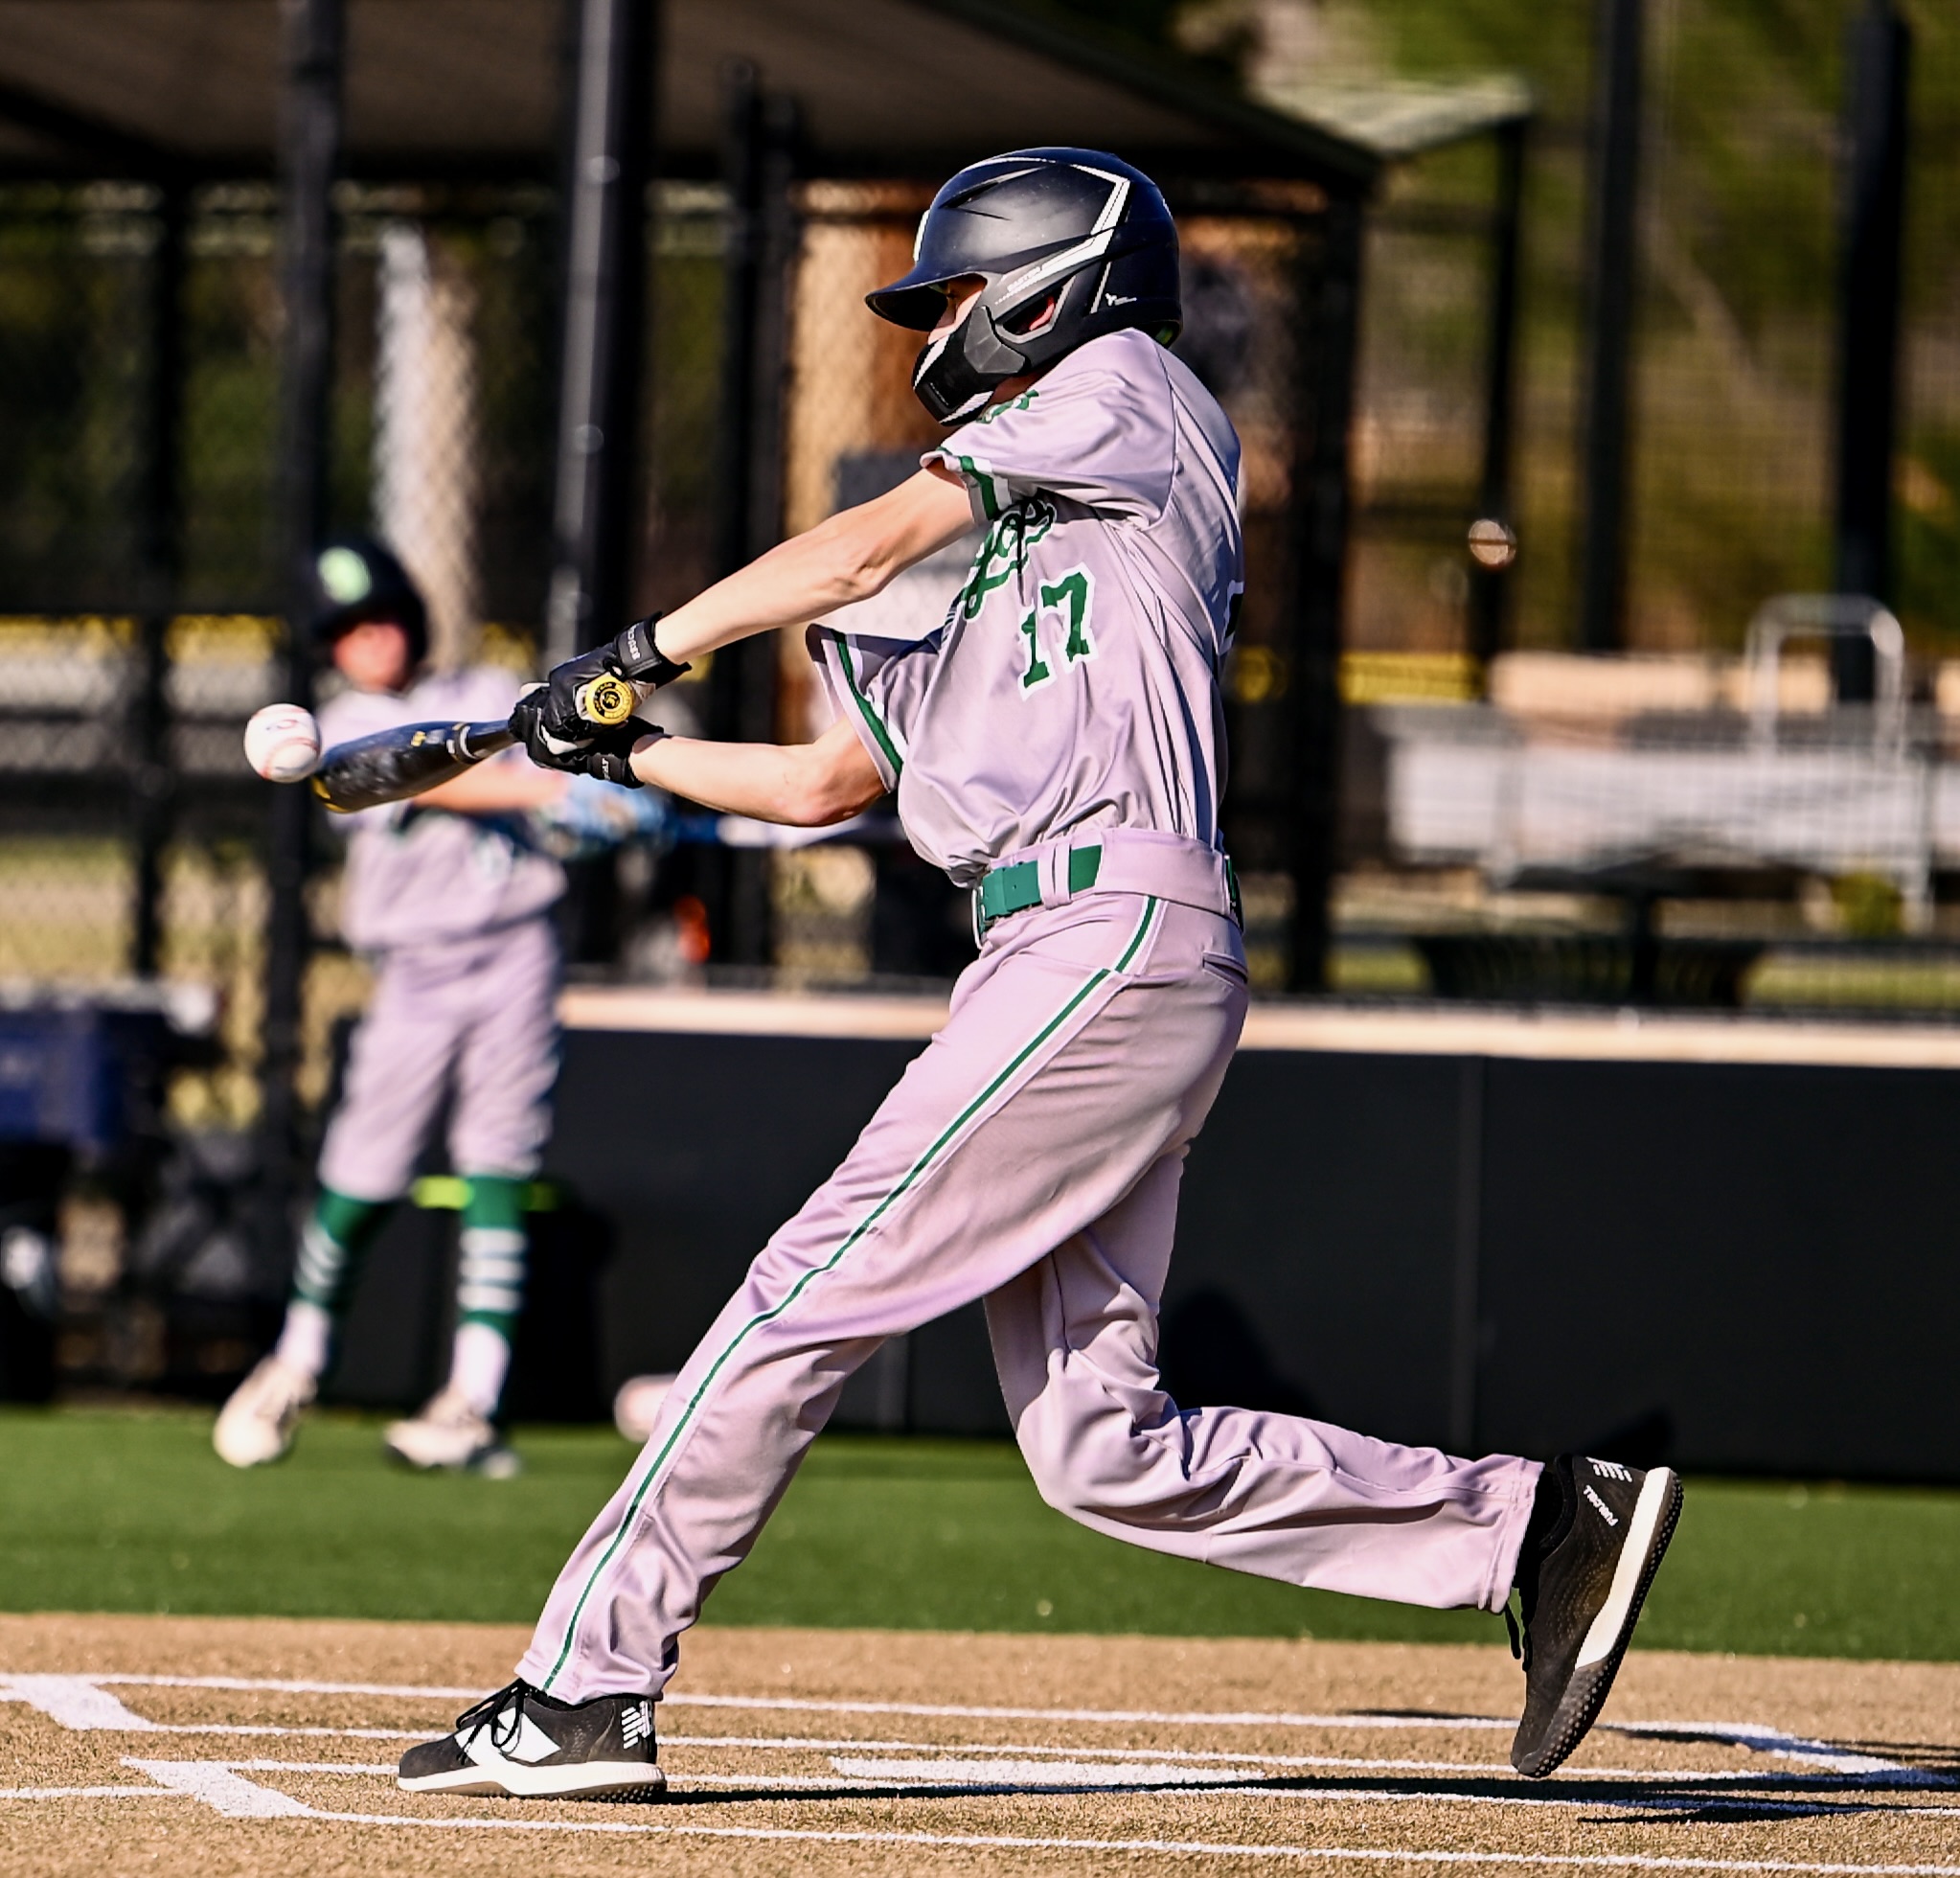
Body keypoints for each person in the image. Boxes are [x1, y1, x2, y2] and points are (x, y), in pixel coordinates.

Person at [399, 149, 1681, 1797]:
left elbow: (859, 547)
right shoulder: (996, 581)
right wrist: (623, 746)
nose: (939, 327)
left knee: (801, 1296)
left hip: (1106, 934)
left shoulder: (1127, 392)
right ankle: (1531, 1531)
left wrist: (641, 645)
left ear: (1047, 281)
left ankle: (586, 1687)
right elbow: (813, 790)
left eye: (953, 294)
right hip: (1066, 957)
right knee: (1101, 1450)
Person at [214, 538, 662, 1476]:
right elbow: (428, 779)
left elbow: (559, 785)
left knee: (500, 1160)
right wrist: (540, 789)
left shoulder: (495, 683)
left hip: (514, 956)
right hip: (413, 971)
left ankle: (472, 1396)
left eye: (378, 619)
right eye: (344, 631)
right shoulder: (340, 722)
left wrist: (609, 798)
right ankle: (293, 1364)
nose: (367, 642)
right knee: (363, 1171)